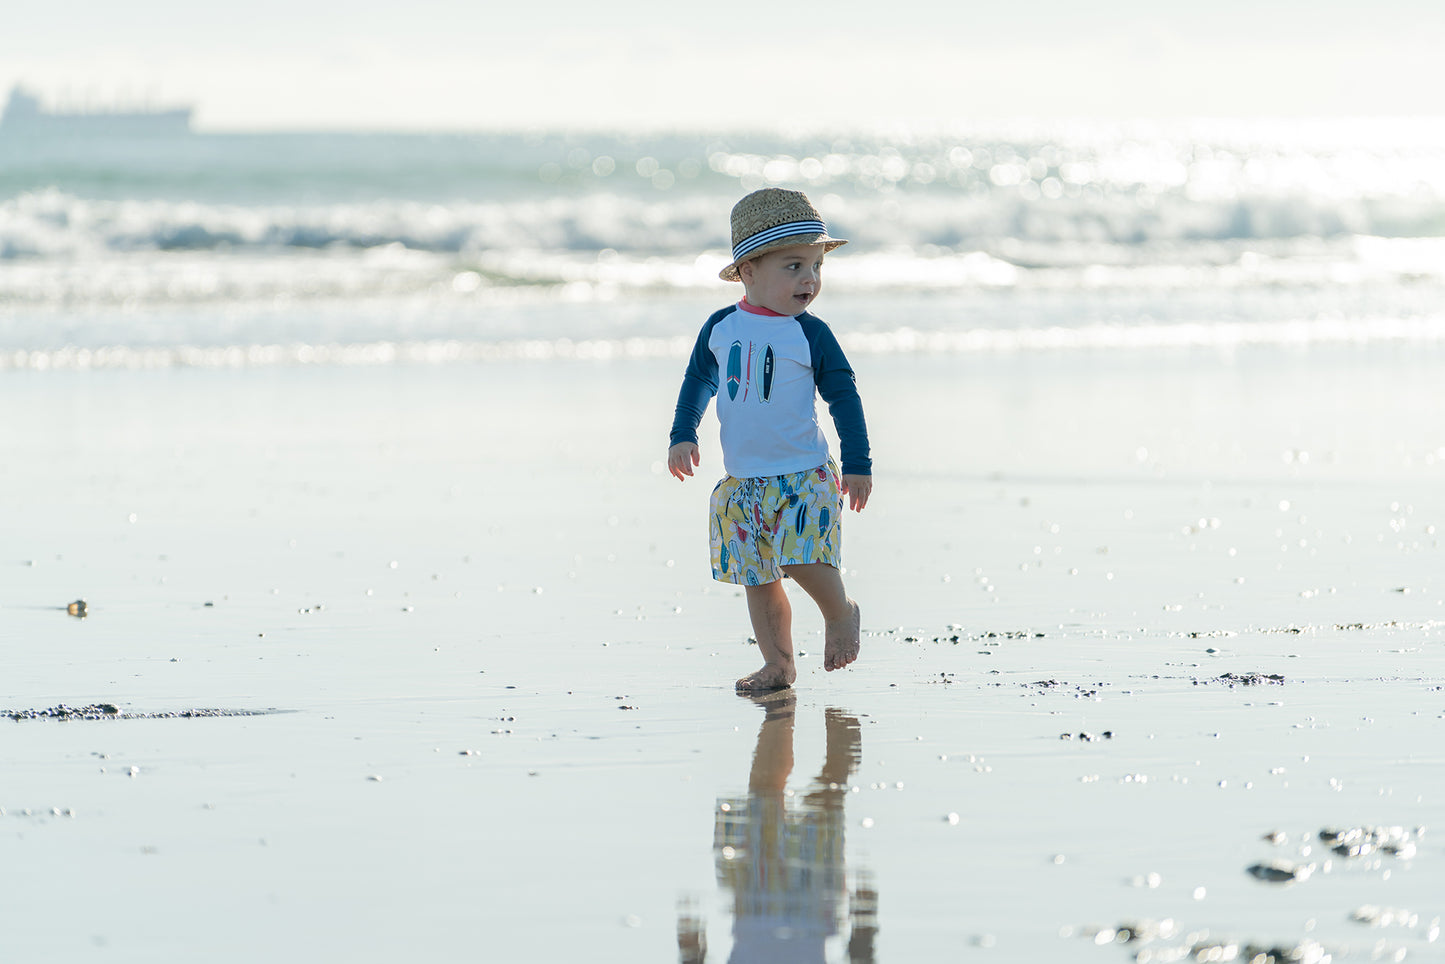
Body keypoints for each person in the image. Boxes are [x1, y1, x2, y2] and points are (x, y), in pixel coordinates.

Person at [668, 188, 872, 691]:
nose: (810, 279)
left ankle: (840, 610)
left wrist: (858, 462)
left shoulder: (810, 334)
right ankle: (779, 665)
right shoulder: (720, 327)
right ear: (748, 271)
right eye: (794, 266)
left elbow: (844, 397)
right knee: (758, 579)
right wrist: (682, 432)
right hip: (743, 483)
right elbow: (699, 381)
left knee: (802, 556)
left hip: (803, 473)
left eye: (816, 267)